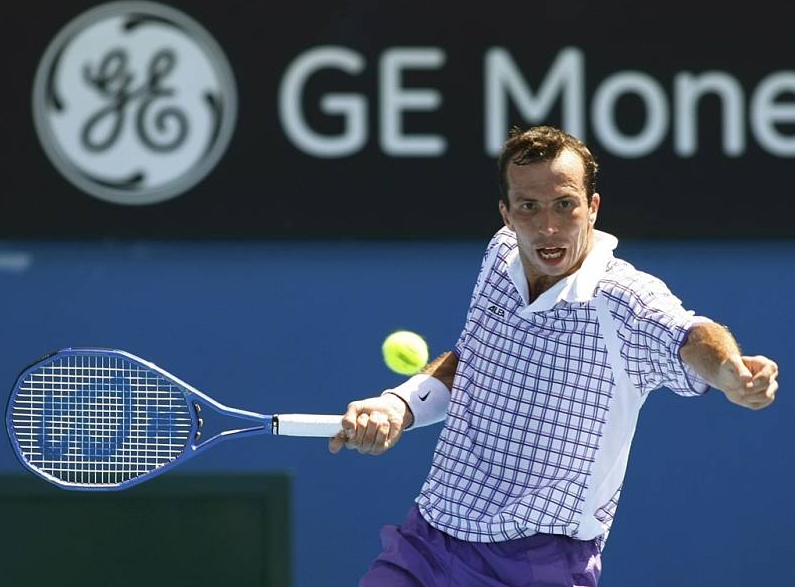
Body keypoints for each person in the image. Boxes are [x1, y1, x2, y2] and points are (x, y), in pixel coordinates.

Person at [328, 125, 779, 587]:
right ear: (505, 214)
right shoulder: (500, 256)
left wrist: (729, 372)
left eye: (565, 205)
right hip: (430, 539)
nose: (548, 227)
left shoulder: (624, 301)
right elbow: (473, 363)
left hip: (535, 566)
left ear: (592, 208)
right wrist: (398, 405)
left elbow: (691, 336)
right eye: (529, 207)